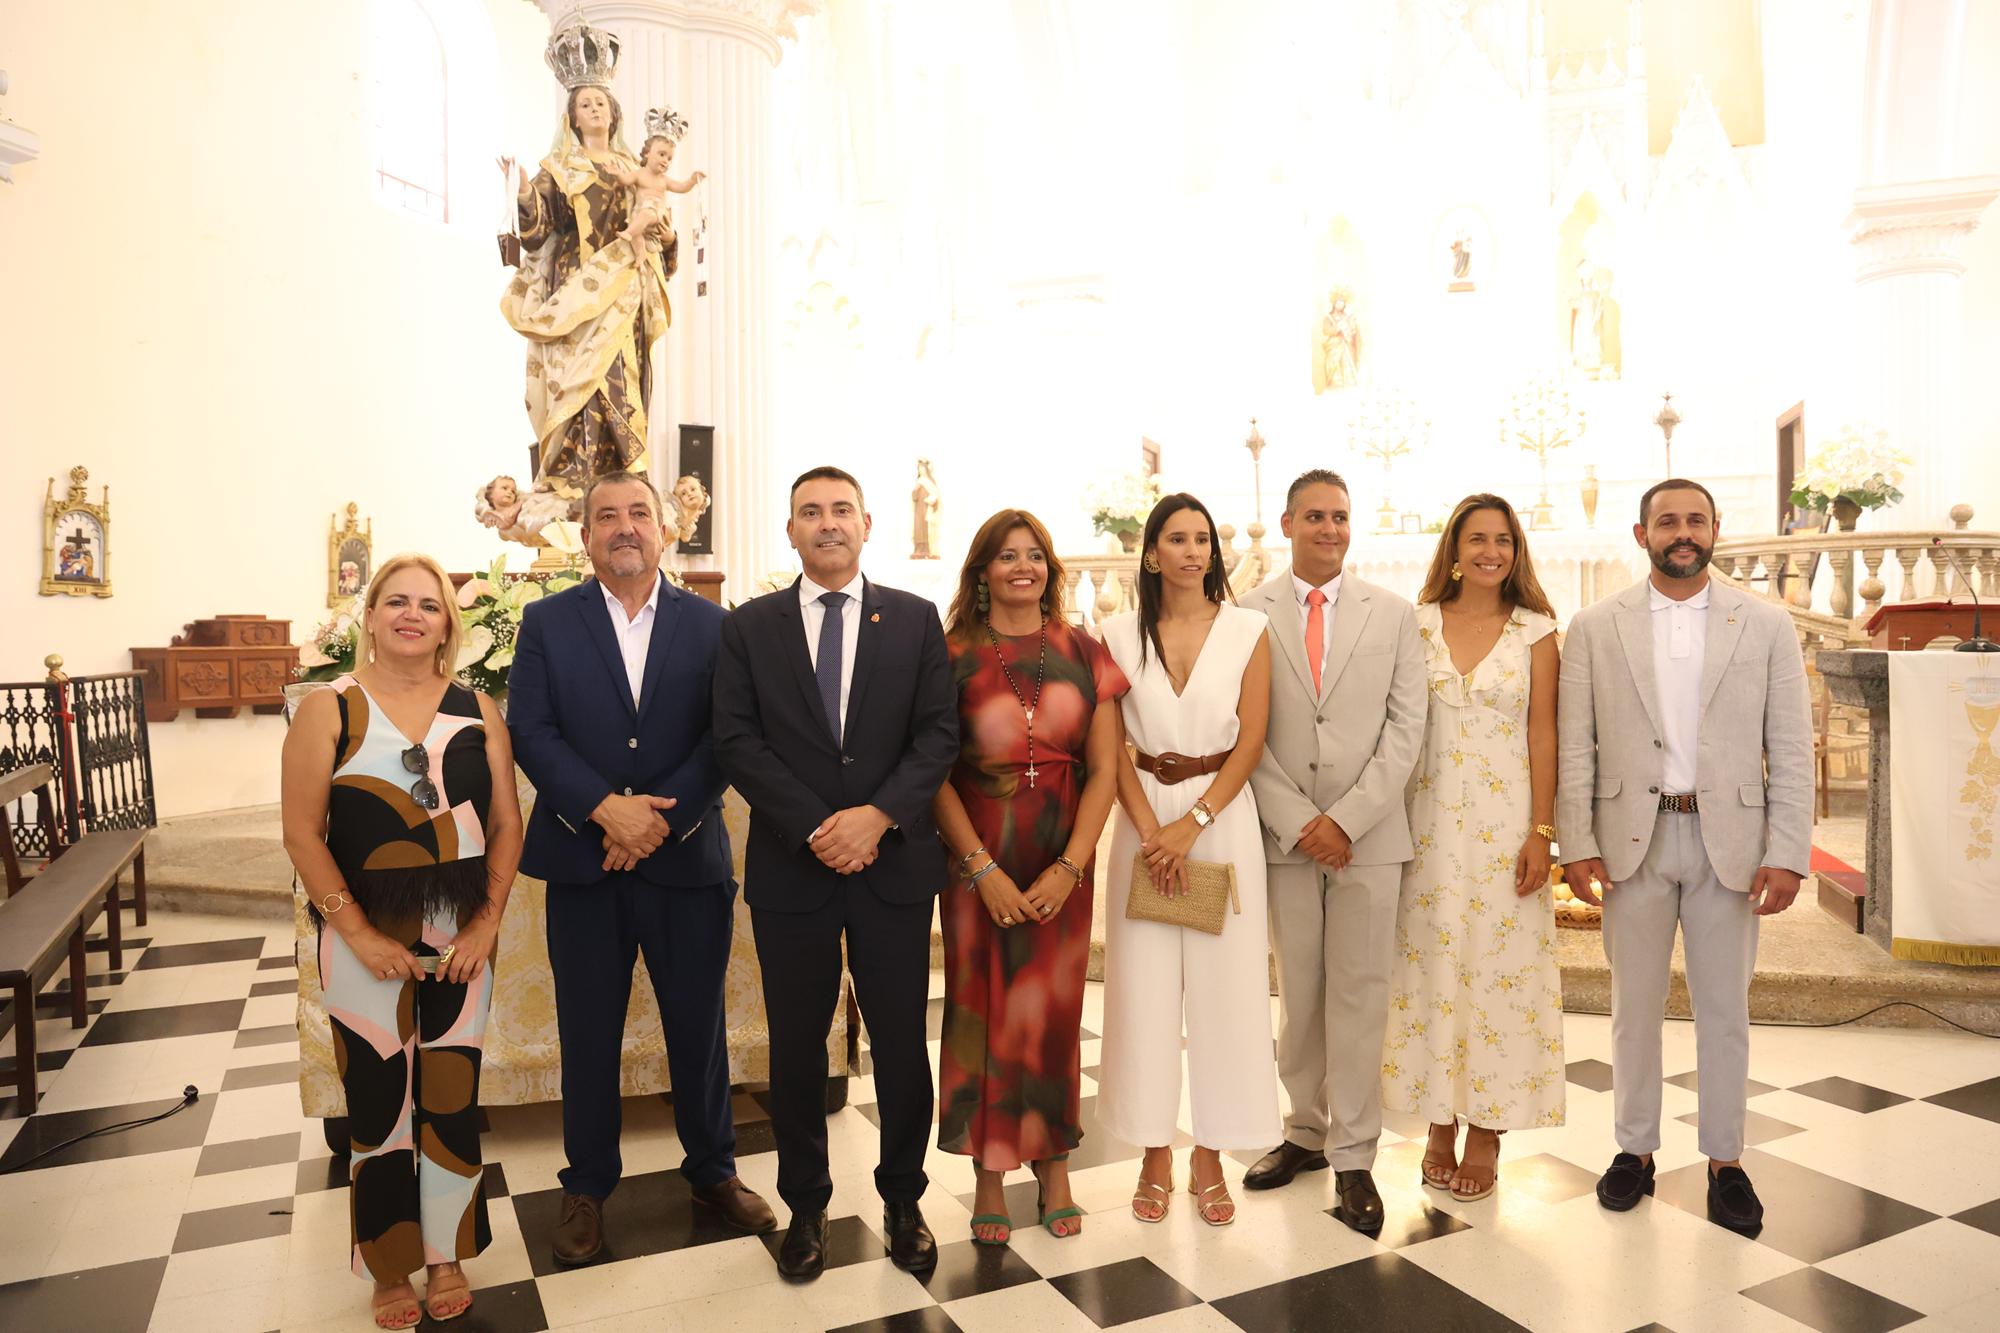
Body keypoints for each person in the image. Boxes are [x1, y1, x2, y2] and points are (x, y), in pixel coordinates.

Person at [507, 470, 774, 1265]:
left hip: (685, 862)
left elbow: (727, 733)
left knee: (698, 1027)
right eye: (607, 516)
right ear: (584, 535)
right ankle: (587, 1186)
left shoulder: (714, 625)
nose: (624, 527)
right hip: (583, 864)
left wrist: (659, 821)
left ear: (666, 532)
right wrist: (604, 809)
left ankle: (713, 1173)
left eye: (639, 515)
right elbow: (532, 730)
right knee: (587, 1032)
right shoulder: (546, 622)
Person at [712, 466, 959, 1280]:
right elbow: (737, 740)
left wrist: (877, 817)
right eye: (809, 512)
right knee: (795, 1050)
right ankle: (807, 1206)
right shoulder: (749, 628)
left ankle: (903, 1198)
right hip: (796, 867)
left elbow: (936, 736)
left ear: (866, 524)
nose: (826, 523)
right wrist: (818, 825)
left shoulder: (917, 620)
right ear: (790, 531)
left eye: (840, 510)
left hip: (892, 868)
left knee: (900, 1045)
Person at [1558, 478, 1812, 1234]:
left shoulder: (1765, 624)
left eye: (1695, 519)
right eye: (1667, 520)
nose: (1682, 531)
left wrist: (1789, 850)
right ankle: (1634, 1149)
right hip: (1632, 839)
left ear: (1716, 529)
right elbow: (1578, 746)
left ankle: (1725, 1159)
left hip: (1726, 839)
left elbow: (1790, 746)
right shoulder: (1596, 626)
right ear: (1641, 534)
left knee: (1724, 1010)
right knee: (1632, 1009)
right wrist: (1576, 842)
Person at [280, 553, 523, 1329]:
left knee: (450, 1095)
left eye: (428, 603)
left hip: (461, 931)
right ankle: (389, 1265)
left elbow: (507, 824)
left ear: (450, 623)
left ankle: (447, 1251)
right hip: (364, 933)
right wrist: (353, 931)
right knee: (379, 1101)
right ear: (372, 616)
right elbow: (302, 832)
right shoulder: (330, 706)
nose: (412, 613)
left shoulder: (478, 707)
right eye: (395, 601)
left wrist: (486, 921)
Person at [933, 510, 1128, 1245]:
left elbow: (1107, 770)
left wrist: (1071, 866)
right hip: (975, 862)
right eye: (1006, 556)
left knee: (1051, 1018)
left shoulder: (1085, 651)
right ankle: (988, 1173)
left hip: (1062, 864)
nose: (1023, 566)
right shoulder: (949, 656)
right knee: (981, 1013)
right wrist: (980, 867)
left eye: (1035, 555)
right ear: (981, 572)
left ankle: (1054, 1167)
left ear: (1051, 568)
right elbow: (932, 774)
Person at [1240, 469, 1426, 1237]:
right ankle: (1303, 1130)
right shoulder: (1247, 615)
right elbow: (1241, 729)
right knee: (1302, 990)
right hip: (1285, 839)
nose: (1329, 528)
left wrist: (1346, 819)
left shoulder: (1394, 614)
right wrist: (1296, 819)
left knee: (1359, 992)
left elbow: (1406, 730)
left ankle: (1354, 1153)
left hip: (1369, 839)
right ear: (1286, 522)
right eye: (1315, 516)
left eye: (1341, 517)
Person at [1099, 493, 1277, 1228]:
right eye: (1178, 538)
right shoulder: (1113, 633)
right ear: (1152, 553)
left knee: (1226, 990)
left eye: (1203, 538)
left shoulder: (1248, 629)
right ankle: (1152, 1151)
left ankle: (1210, 1151)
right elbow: (1109, 744)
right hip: (1141, 821)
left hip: (1221, 822)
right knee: (1141, 989)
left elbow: (1253, 738)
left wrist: (1194, 823)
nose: (1194, 550)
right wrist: (1152, 831)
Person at [1382, 494, 1565, 1203]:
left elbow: (1544, 733)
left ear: (1516, 552)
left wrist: (1542, 831)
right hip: (1425, 828)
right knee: (1431, 969)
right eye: (1476, 539)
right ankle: (1438, 1115)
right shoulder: (1416, 625)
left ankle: (1487, 1127)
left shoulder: (1537, 632)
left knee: (1500, 975)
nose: (1490, 551)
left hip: (1504, 828)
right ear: (1453, 550)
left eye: (1503, 540)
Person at [498, 77, 673, 505]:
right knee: (576, 381)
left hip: (624, 290)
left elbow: (660, 234)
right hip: (576, 288)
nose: (595, 109)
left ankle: (625, 480)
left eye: (601, 103)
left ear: (614, 113)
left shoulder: (636, 168)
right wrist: (522, 189)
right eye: (585, 105)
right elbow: (538, 231)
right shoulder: (558, 169)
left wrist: (667, 240)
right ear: (572, 118)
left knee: (619, 377)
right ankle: (570, 480)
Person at [612, 130, 705, 255]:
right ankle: (640, 255)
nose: (665, 161)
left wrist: (692, 180)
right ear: (647, 153)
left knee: (645, 217)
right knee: (637, 234)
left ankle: (628, 232)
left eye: (669, 159)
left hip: (655, 212)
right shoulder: (639, 174)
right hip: (639, 212)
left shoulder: (664, 180)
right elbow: (626, 180)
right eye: (662, 154)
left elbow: (682, 187)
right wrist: (618, 173)